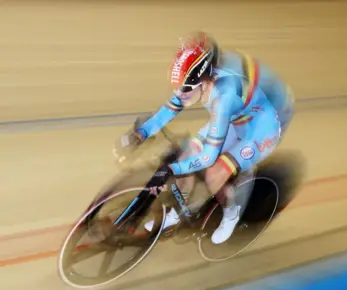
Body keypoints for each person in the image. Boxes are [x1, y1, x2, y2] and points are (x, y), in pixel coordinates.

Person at [112, 31, 295, 244]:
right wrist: (140, 134)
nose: (181, 94)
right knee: (187, 154)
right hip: (239, 115)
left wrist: (171, 170)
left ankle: (231, 213)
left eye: (186, 89)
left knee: (214, 173)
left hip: (262, 127)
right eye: (178, 88)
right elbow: (169, 109)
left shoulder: (223, 97)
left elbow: (208, 158)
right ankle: (176, 212)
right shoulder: (199, 77)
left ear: (204, 80)